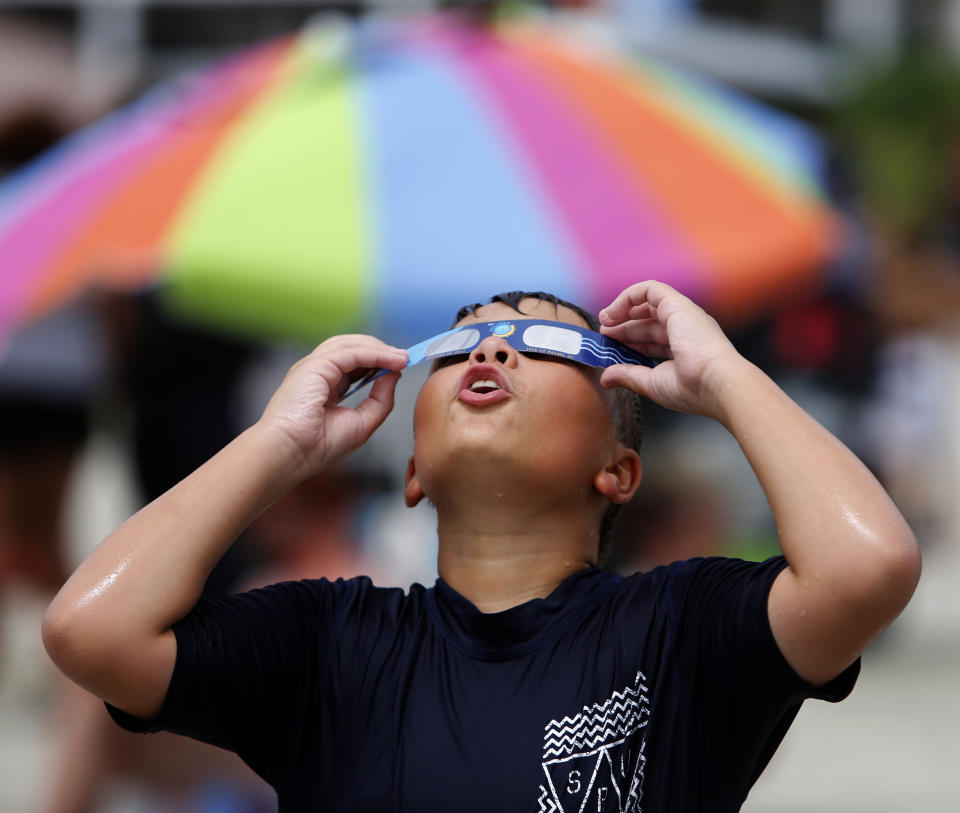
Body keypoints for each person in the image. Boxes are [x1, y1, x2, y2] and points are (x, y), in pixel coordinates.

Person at [42, 281, 921, 812]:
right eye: (462, 340)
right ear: (414, 467)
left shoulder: (682, 630)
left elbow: (867, 564)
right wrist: (279, 445)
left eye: (546, 342)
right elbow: (92, 628)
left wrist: (727, 376)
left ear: (618, 470)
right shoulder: (330, 643)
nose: (493, 344)